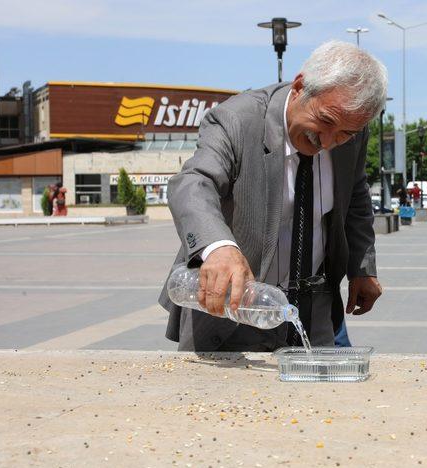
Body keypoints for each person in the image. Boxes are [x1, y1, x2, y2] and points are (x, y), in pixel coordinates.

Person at [159, 41, 386, 352]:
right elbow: (193, 183)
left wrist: (362, 267)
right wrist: (218, 248)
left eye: (345, 134)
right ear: (299, 87)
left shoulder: (352, 130)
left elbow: (355, 195)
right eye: (326, 122)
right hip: (233, 312)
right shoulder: (236, 120)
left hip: (313, 315)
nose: (329, 142)